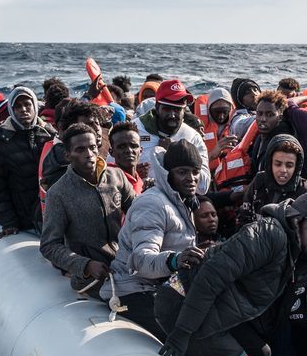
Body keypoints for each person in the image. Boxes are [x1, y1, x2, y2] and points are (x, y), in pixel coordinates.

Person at [154, 192, 307, 356]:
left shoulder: (299, 258)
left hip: (207, 308)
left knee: (262, 354)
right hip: (179, 302)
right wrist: (182, 333)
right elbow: (211, 276)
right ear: (298, 221)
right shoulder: (270, 234)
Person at [109, 140, 205, 339]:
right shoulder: (154, 204)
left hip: (163, 288)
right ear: (168, 174)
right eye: (182, 172)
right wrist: (175, 260)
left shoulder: (182, 201)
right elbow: (141, 261)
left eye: (195, 172)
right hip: (133, 290)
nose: (191, 178)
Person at [40, 123, 135, 299]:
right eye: (80, 150)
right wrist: (85, 265)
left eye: (92, 148)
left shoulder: (116, 177)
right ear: (68, 155)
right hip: (93, 279)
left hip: (127, 265)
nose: (89, 154)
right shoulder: (59, 194)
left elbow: (139, 214)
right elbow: (49, 246)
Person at [0, 86, 57, 239]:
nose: (23, 109)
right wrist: (9, 223)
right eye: (17, 106)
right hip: (23, 217)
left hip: (50, 212)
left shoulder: (48, 134)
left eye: (27, 104)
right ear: (11, 110)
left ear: (34, 106)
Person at [135, 80, 210, 192]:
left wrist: (176, 153)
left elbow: (203, 186)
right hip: (140, 200)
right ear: (157, 106)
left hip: (178, 203)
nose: (172, 115)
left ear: (184, 110)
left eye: (177, 109)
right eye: (167, 109)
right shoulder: (135, 129)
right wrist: (132, 173)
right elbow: (113, 170)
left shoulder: (193, 137)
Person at [235, 134, 307, 228]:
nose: (283, 170)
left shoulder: (304, 192)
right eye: (278, 164)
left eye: (289, 165)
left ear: (296, 167)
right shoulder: (259, 181)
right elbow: (243, 218)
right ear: (269, 163)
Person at [108, 121, 146, 196]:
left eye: (134, 146)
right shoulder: (108, 180)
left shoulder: (139, 180)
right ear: (111, 152)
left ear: (141, 151)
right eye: (122, 146)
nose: (129, 150)